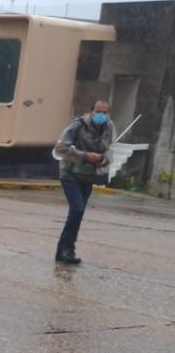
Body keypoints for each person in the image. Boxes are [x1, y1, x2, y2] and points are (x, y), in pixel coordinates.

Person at [52, 100, 114, 265]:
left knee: (77, 214)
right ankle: (68, 249)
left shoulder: (109, 127)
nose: (101, 115)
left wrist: (104, 159)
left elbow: (109, 149)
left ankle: (63, 251)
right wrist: (85, 156)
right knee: (77, 209)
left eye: (104, 112)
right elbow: (60, 149)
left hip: (88, 176)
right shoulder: (77, 125)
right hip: (70, 173)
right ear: (91, 111)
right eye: (98, 111)